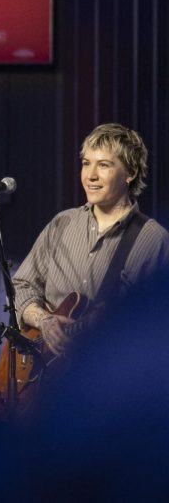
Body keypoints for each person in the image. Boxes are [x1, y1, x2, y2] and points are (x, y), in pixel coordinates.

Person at [13, 123, 169, 360]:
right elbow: (21, 285)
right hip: (42, 373)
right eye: (86, 163)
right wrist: (44, 321)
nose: (90, 175)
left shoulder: (153, 240)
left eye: (104, 165)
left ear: (131, 173)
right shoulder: (62, 223)